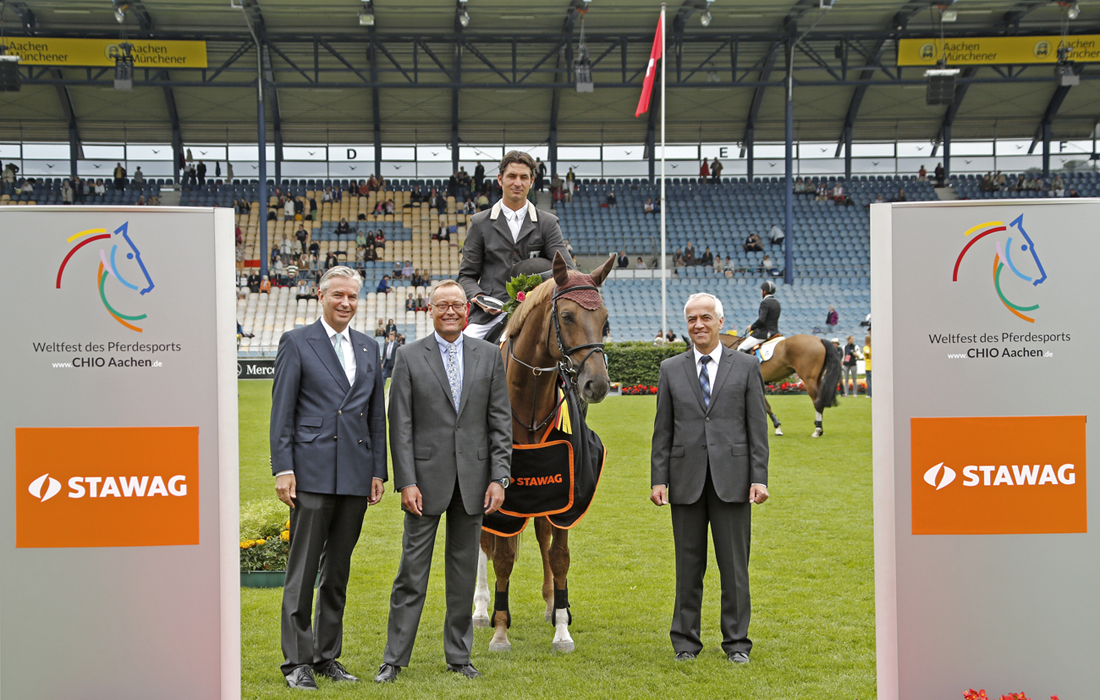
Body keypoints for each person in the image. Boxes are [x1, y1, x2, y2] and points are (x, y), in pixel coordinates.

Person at [375, 280, 512, 684]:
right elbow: (399, 424)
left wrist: (499, 477)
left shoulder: (488, 356)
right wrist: (407, 482)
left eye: (457, 305)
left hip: (474, 483)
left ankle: (459, 655)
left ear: (467, 311)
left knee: (463, 573)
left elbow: (500, 422)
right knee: (411, 575)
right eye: (442, 306)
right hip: (425, 484)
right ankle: (394, 658)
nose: (450, 311)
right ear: (429, 310)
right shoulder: (409, 356)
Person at [270, 266, 387, 690]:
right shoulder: (297, 342)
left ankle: (325, 656)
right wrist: (283, 468)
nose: (345, 303)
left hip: (356, 474)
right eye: (338, 295)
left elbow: (376, 416)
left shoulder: (370, 348)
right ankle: (296, 661)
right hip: (311, 473)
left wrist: (378, 470)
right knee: (302, 572)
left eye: (352, 296)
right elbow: (281, 411)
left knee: (337, 571)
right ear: (321, 296)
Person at [650, 292, 769, 665]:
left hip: (733, 480)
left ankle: (736, 644)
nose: (698, 325)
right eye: (691, 319)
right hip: (684, 481)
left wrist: (759, 477)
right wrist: (658, 479)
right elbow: (662, 429)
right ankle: (685, 642)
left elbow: (756, 428)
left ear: (720, 321)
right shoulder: (670, 368)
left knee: (734, 567)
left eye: (705, 318)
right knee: (688, 567)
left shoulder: (747, 366)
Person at [458, 150, 572, 341]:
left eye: (523, 177)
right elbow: (466, 275)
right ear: (500, 180)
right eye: (511, 176)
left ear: (531, 182)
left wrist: (536, 283)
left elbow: (567, 270)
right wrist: (479, 297)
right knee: (464, 353)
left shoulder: (548, 223)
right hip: (490, 316)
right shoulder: (479, 223)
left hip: (536, 312)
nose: (517, 182)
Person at [738, 281, 781, 353]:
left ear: (765, 291)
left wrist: (751, 327)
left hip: (764, 333)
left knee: (740, 348)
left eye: (762, 290)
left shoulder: (765, 303)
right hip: (775, 332)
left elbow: (761, 320)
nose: (761, 292)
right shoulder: (777, 303)